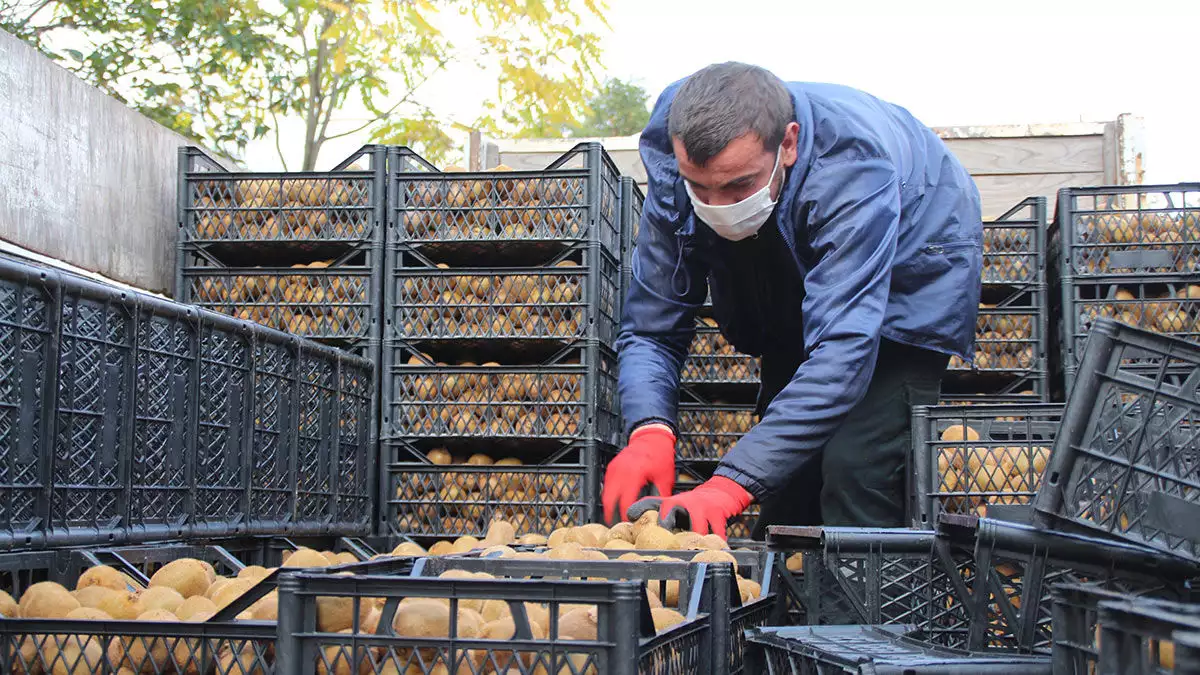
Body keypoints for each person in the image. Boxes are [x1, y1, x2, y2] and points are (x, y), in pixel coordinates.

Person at [602, 62, 983, 538]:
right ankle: (785, 604)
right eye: (700, 187)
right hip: (788, 244)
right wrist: (649, 428)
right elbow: (651, 323)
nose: (717, 208)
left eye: (738, 185)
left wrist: (727, 487)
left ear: (788, 144)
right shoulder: (671, 148)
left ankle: (863, 608)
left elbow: (842, 352)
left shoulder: (850, 168)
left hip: (918, 260)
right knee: (784, 475)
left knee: (857, 467)